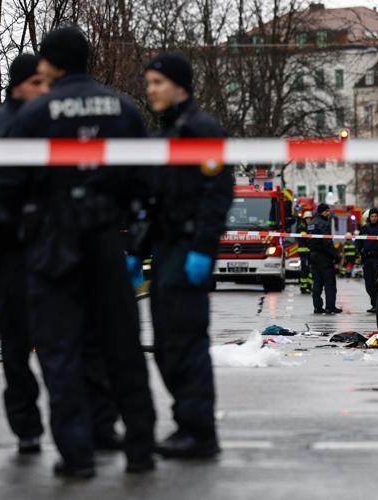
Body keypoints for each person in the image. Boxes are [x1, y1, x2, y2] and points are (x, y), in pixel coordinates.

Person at [0, 54, 126, 457]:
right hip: (10, 255)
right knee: (18, 346)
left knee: (79, 341)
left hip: (61, 248)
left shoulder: (56, 121)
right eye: (38, 82)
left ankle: (99, 423)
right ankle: (28, 428)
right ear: (20, 84)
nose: (46, 89)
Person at [0, 27, 156, 478]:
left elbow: (9, 185)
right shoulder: (122, 108)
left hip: (54, 246)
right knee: (123, 346)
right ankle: (140, 448)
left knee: (59, 350)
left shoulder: (36, 113)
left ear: (49, 63)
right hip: (108, 241)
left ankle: (77, 455)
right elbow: (144, 181)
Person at [143, 52, 234, 459]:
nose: (150, 91)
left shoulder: (201, 129)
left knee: (187, 344)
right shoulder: (166, 134)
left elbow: (217, 195)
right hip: (165, 251)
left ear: (180, 85)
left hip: (188, 250)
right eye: (148, 83)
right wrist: (137, 250)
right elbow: (155, 201)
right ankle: (186, 422)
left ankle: (200, 433)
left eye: (157, 83)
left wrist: (202, 250)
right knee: (165, 345)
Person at [308, 203, 341, 314]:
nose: (328, 213)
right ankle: (330, 307)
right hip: (324, 258)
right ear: (322, 212)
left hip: (313, 257)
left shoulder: (311, 223)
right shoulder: (324, 224)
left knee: (317, 284)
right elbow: (327, 242)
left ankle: (317, 307)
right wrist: (336, 255)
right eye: (327, 211)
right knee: (330, 284)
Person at [357, 207, 378, 312]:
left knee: (377, 282)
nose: (374, 218)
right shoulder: (364, 228)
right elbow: (359, 242)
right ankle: (373, 303)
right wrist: (359, 252)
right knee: (368, 283)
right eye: (372, 216)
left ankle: (377, 305)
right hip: (367, 259)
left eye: (375, 216)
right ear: (369, 217)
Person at [297, 211, 313, 294]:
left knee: (310, 269)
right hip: (304, 251)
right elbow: (305, 239)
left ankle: (309, 286)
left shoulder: (309, 227)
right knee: (305, 269)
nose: (309, 220)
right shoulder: (302, 227)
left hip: (308, 251)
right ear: (304, 219)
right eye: (307, 218)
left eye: (310, 218)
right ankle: (303, 287)